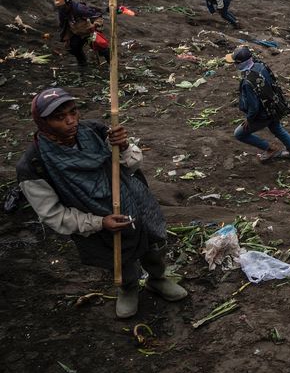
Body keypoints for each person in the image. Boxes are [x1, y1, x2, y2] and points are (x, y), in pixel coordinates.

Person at [17, 87, 187, 319]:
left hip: (133, 201)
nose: (71, 121)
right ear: (42, 123)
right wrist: (98, 222)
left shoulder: (95, 131)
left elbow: (132, 164)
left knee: (151, 243)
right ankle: (128, 288)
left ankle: (158, 279)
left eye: (73, 112)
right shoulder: (33, 165)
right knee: (118, 256)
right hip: (94, 219)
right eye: (59, 117)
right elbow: (52, 214)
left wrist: (124, 146)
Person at [230, 47, 290, 163]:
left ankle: (269, 148)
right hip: (273, 106)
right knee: (278, 129)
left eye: (235, 63)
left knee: (239, 134)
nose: (234, 65)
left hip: (262, 114)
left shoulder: (248, 82)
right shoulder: (260, 65)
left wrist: (249, 119)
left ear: (241, 63)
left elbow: (254, 107)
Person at [54, 0, 109, 68]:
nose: (61, 9)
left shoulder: (79, 9)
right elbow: (63, 25)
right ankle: (82, 64)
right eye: (59, 7)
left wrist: (95, 24)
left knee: (102, 47)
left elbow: (97, 16)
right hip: (77, 34)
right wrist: (66, 37)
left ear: (68, 3)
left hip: (89, 33)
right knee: (73, 48)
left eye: (62, 7)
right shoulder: (62, 12)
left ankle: (112, 63)